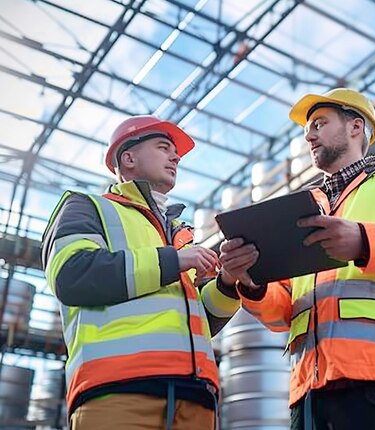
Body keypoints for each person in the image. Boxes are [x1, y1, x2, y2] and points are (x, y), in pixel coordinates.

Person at [218, 88, 375, 430]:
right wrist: (251, 284)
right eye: (307, 129)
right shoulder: (301, 209)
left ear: (356, 127)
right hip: (311, 395)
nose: (308, 135)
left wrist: (364, 242)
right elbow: (282, 314)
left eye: (319, 123)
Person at [41, 115, 240, 430]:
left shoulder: (178, 234)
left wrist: (229, 283)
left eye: (175, 152)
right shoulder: (87, 207)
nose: (175, 157)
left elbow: (199, 322)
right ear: (128, 157)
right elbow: (72, 274)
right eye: (164, 147)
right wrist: (173, 261)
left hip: (196, 398)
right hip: (118, 392)